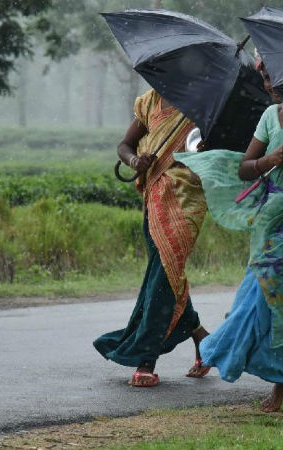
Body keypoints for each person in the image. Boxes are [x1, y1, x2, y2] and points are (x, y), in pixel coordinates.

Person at [174, 58, 283, 417]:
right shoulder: (270, 116)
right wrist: (273, 158)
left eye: (272, 74)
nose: (268, 82)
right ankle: (281, 384)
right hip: (275, 219)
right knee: (261, 299)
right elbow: (244, 167)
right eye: (263, 76)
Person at [93, 89, 210, 387]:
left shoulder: (202, 103)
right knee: (166, 275)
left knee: (164, 275)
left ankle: (146, 359)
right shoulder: (148, 102)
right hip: (153, 199)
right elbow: (124, 145)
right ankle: (203, 340)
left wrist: (205, 148)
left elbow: (218, 151)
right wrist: (134, 161)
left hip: (186, 201)